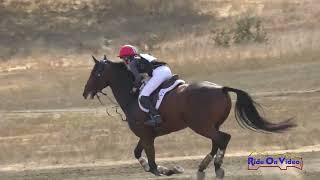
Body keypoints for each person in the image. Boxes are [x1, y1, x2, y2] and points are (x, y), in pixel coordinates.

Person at [118, 44, 172, 126]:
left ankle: (156, 117)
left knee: (143, 96)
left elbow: (138, 78)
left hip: (159, 73)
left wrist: (134, 89)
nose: (123, 61)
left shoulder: (132, 63)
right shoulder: (141, 57)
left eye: (122, 58)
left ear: (126, 57)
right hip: (166, 70)